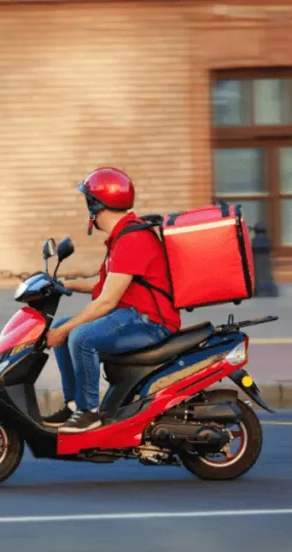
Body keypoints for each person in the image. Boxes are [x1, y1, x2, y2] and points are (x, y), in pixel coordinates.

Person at [42, 167, 182, 433]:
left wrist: (63, 331)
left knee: (79, 336)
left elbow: (106, 302)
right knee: (64, 325)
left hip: (151, 322)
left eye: (88, 202)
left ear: (96, 205)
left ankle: (88, 412)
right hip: (132, 315)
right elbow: (105, 284)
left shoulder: (132, 239)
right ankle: (74, 406)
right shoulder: (123, 236)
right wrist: (63, 285)